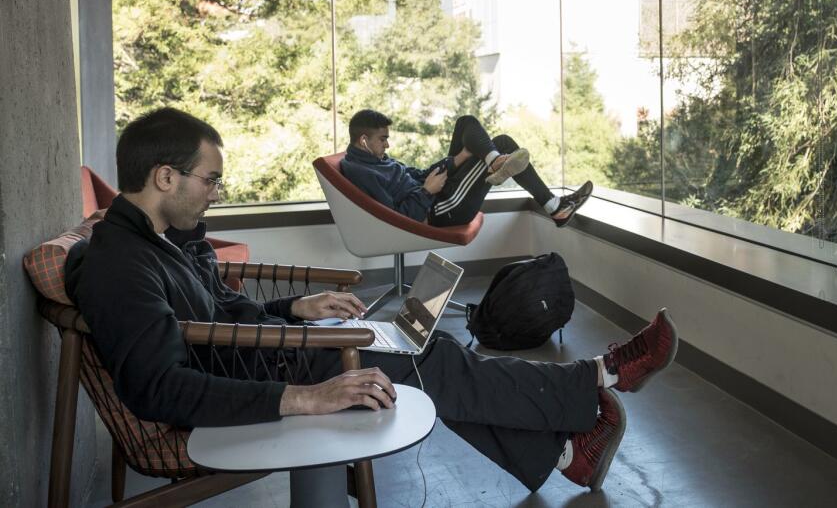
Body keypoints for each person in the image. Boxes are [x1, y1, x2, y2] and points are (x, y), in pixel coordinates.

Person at [70, 107, 679, 492]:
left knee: (416, 350)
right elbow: (156, 387)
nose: (216, 193)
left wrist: (293, 310)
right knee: (428, 360)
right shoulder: (120, 265)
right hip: (256, 380)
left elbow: (222, 317)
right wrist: (307, 397)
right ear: (165, 177)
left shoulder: (161, 239)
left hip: (266, 353)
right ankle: (602, 375)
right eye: (211, 180)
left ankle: (570, 450)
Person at [340, 109, 591, 228]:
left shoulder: (375, 159)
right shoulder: (363, 172)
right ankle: (554, 207)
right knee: (503, 143)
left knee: (466, 123)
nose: (387, 143)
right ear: (364, 140)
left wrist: (457, 159)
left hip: (436, 191)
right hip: (440, 208)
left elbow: (414, 175)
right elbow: (396, 217)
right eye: (383, 139)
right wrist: (427, 192)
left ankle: (494, 160)